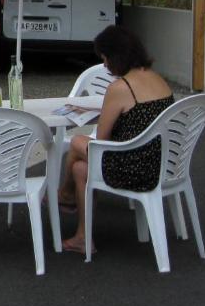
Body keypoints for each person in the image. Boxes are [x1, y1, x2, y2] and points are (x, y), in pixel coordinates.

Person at [57, 25, 174, 253]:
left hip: (133, 168)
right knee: (81, 169)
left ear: (115, 57)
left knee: (77, 142)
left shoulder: (121, 87)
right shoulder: (158, 79)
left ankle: (65, 195)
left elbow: (102, 140)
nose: (104, 65)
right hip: (160, 164)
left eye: (105, 58)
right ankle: (82, 236)